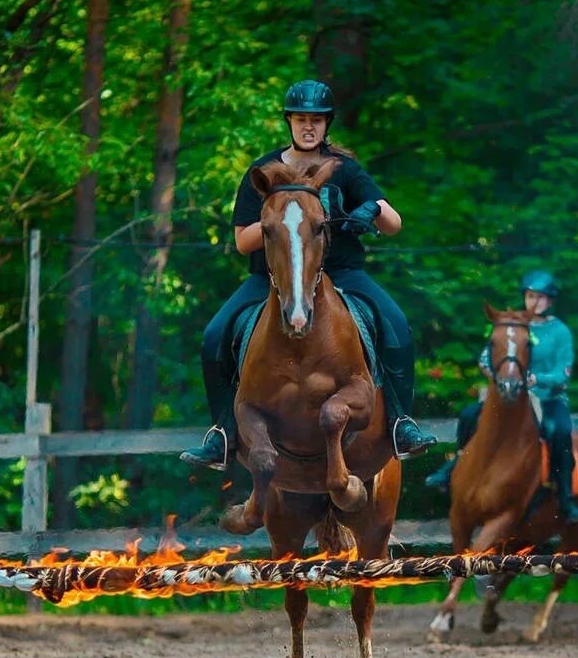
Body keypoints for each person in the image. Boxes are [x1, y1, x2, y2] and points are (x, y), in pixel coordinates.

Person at [180, 79, 437, 470]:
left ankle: (401, 421)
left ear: (326, 124)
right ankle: (224, 433)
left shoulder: (345, 169)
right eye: (301, 119)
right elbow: (241, 241)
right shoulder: (263, 171)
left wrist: (371, 211)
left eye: (316, 120)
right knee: (215, 335)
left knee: (397, 323)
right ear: (289, 121)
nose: (308, 127)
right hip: (273, 278)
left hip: (342, 274)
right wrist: (279, 224)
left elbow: (394, 223)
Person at [424, 270, 578, 523]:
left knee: (560, 431)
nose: (535, 302)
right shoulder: (510, 324)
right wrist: (496, 375)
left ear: (551, 301)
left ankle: (565, 498)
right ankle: (454, 467)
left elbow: (562, 372)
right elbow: (485, 359)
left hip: (546, 398)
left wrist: (538, 379)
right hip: (507, 397)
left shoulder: (559, 331)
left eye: (542, 298)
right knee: (469, 415)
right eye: (531, 296)